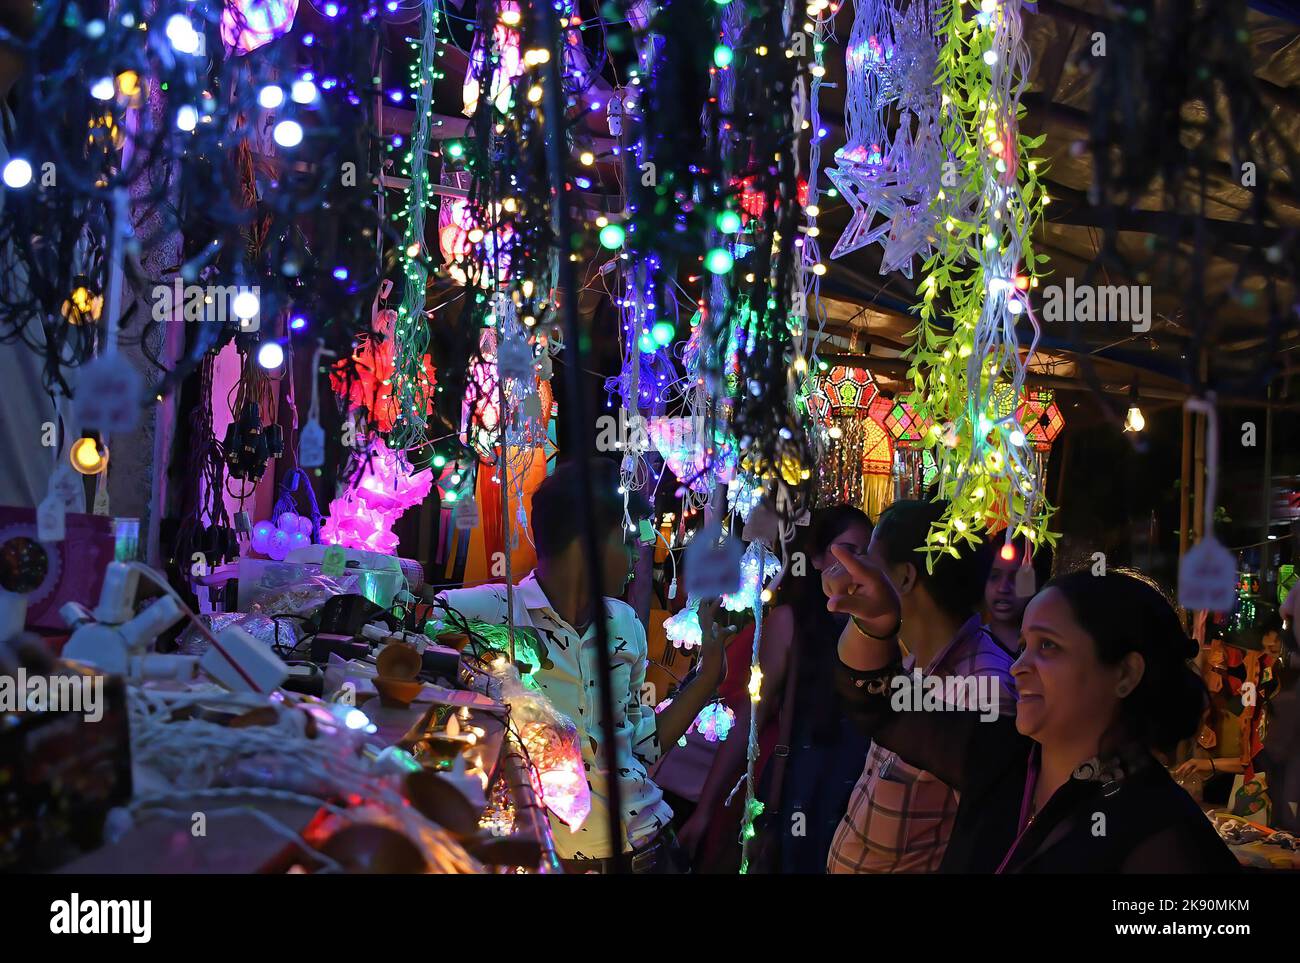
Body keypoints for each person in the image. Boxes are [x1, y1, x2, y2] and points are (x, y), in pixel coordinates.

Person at [830, 554, 1240, 873]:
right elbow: (880, 706)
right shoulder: (1000, 754)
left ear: (1124, 674)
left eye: (1048, 647)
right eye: (1024, 645)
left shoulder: (1158, 832)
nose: (1018, 666)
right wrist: (876, 625)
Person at [425, 458, 726, 872]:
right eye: (626, 540)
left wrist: (710, 675)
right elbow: (401, 625)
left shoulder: (625, 625)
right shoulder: (486, 612)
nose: (638, 556)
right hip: (560, 857)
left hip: (651, 844)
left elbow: (639, 746)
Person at [674, 505, 873, 873]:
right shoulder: (790, 622)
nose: (859, 563)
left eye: (866, 553)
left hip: (859, 790)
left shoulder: (878, 628)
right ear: (815, 558)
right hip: (802, 785)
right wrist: (706, 809)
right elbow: (753, 715)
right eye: (848, 550)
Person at [826, 500, 1015, 874]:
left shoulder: (984, 687)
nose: (856, 570)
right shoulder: (909, 657)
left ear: (904, 578)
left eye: (868, 558)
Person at [983, 538, 1052, 657]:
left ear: (1037, 582)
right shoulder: (968, 647)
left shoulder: (1048, 648)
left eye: (1016, 578)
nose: (1003, 588)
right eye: (994, 576)